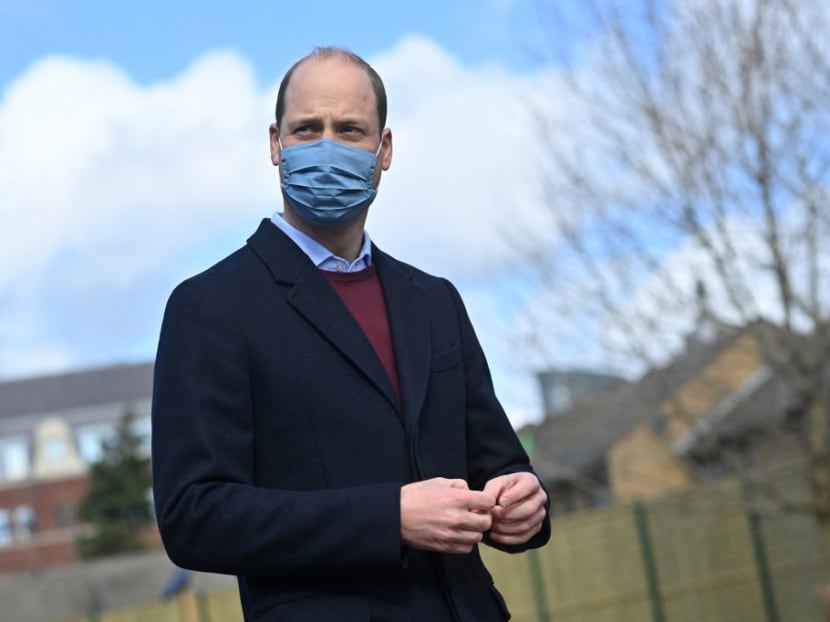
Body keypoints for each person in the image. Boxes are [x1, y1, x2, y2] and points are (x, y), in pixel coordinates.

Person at [151, 46, 551, 622]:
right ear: (275, 144)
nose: (328, 147)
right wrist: (389, 517)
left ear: (383, 150)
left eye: (351, 129)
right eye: (308, 129)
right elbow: (195, 516)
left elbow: (498, 463)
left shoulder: (434, 301)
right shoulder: (210, 308)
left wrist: (522, 501)